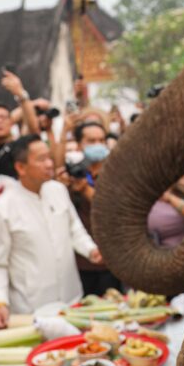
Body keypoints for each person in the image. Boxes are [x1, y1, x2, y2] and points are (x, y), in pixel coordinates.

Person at [0, 135, 102, 327]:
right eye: (41, 159)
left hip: (71, 301)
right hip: (32, 308)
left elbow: (75, 230)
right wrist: (0, 302)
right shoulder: (2, 209)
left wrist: (91, 250)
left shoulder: (58, 190)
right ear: (20, 167)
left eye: (49, 157)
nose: (49, 164)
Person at [70, 122, 122, 296]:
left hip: (111, 260)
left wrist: (85, 189)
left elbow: (112, 208)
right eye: (91, 140)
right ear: (79, 144)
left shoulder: (116, 171)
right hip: (81, 262)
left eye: (101, 140)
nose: (98, 144)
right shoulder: (74, 171)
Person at [0, 70, 40, 191]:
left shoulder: (18, 147)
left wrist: (21, 94)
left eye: (3, 117)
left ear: (11, 122)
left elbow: (33, 128)